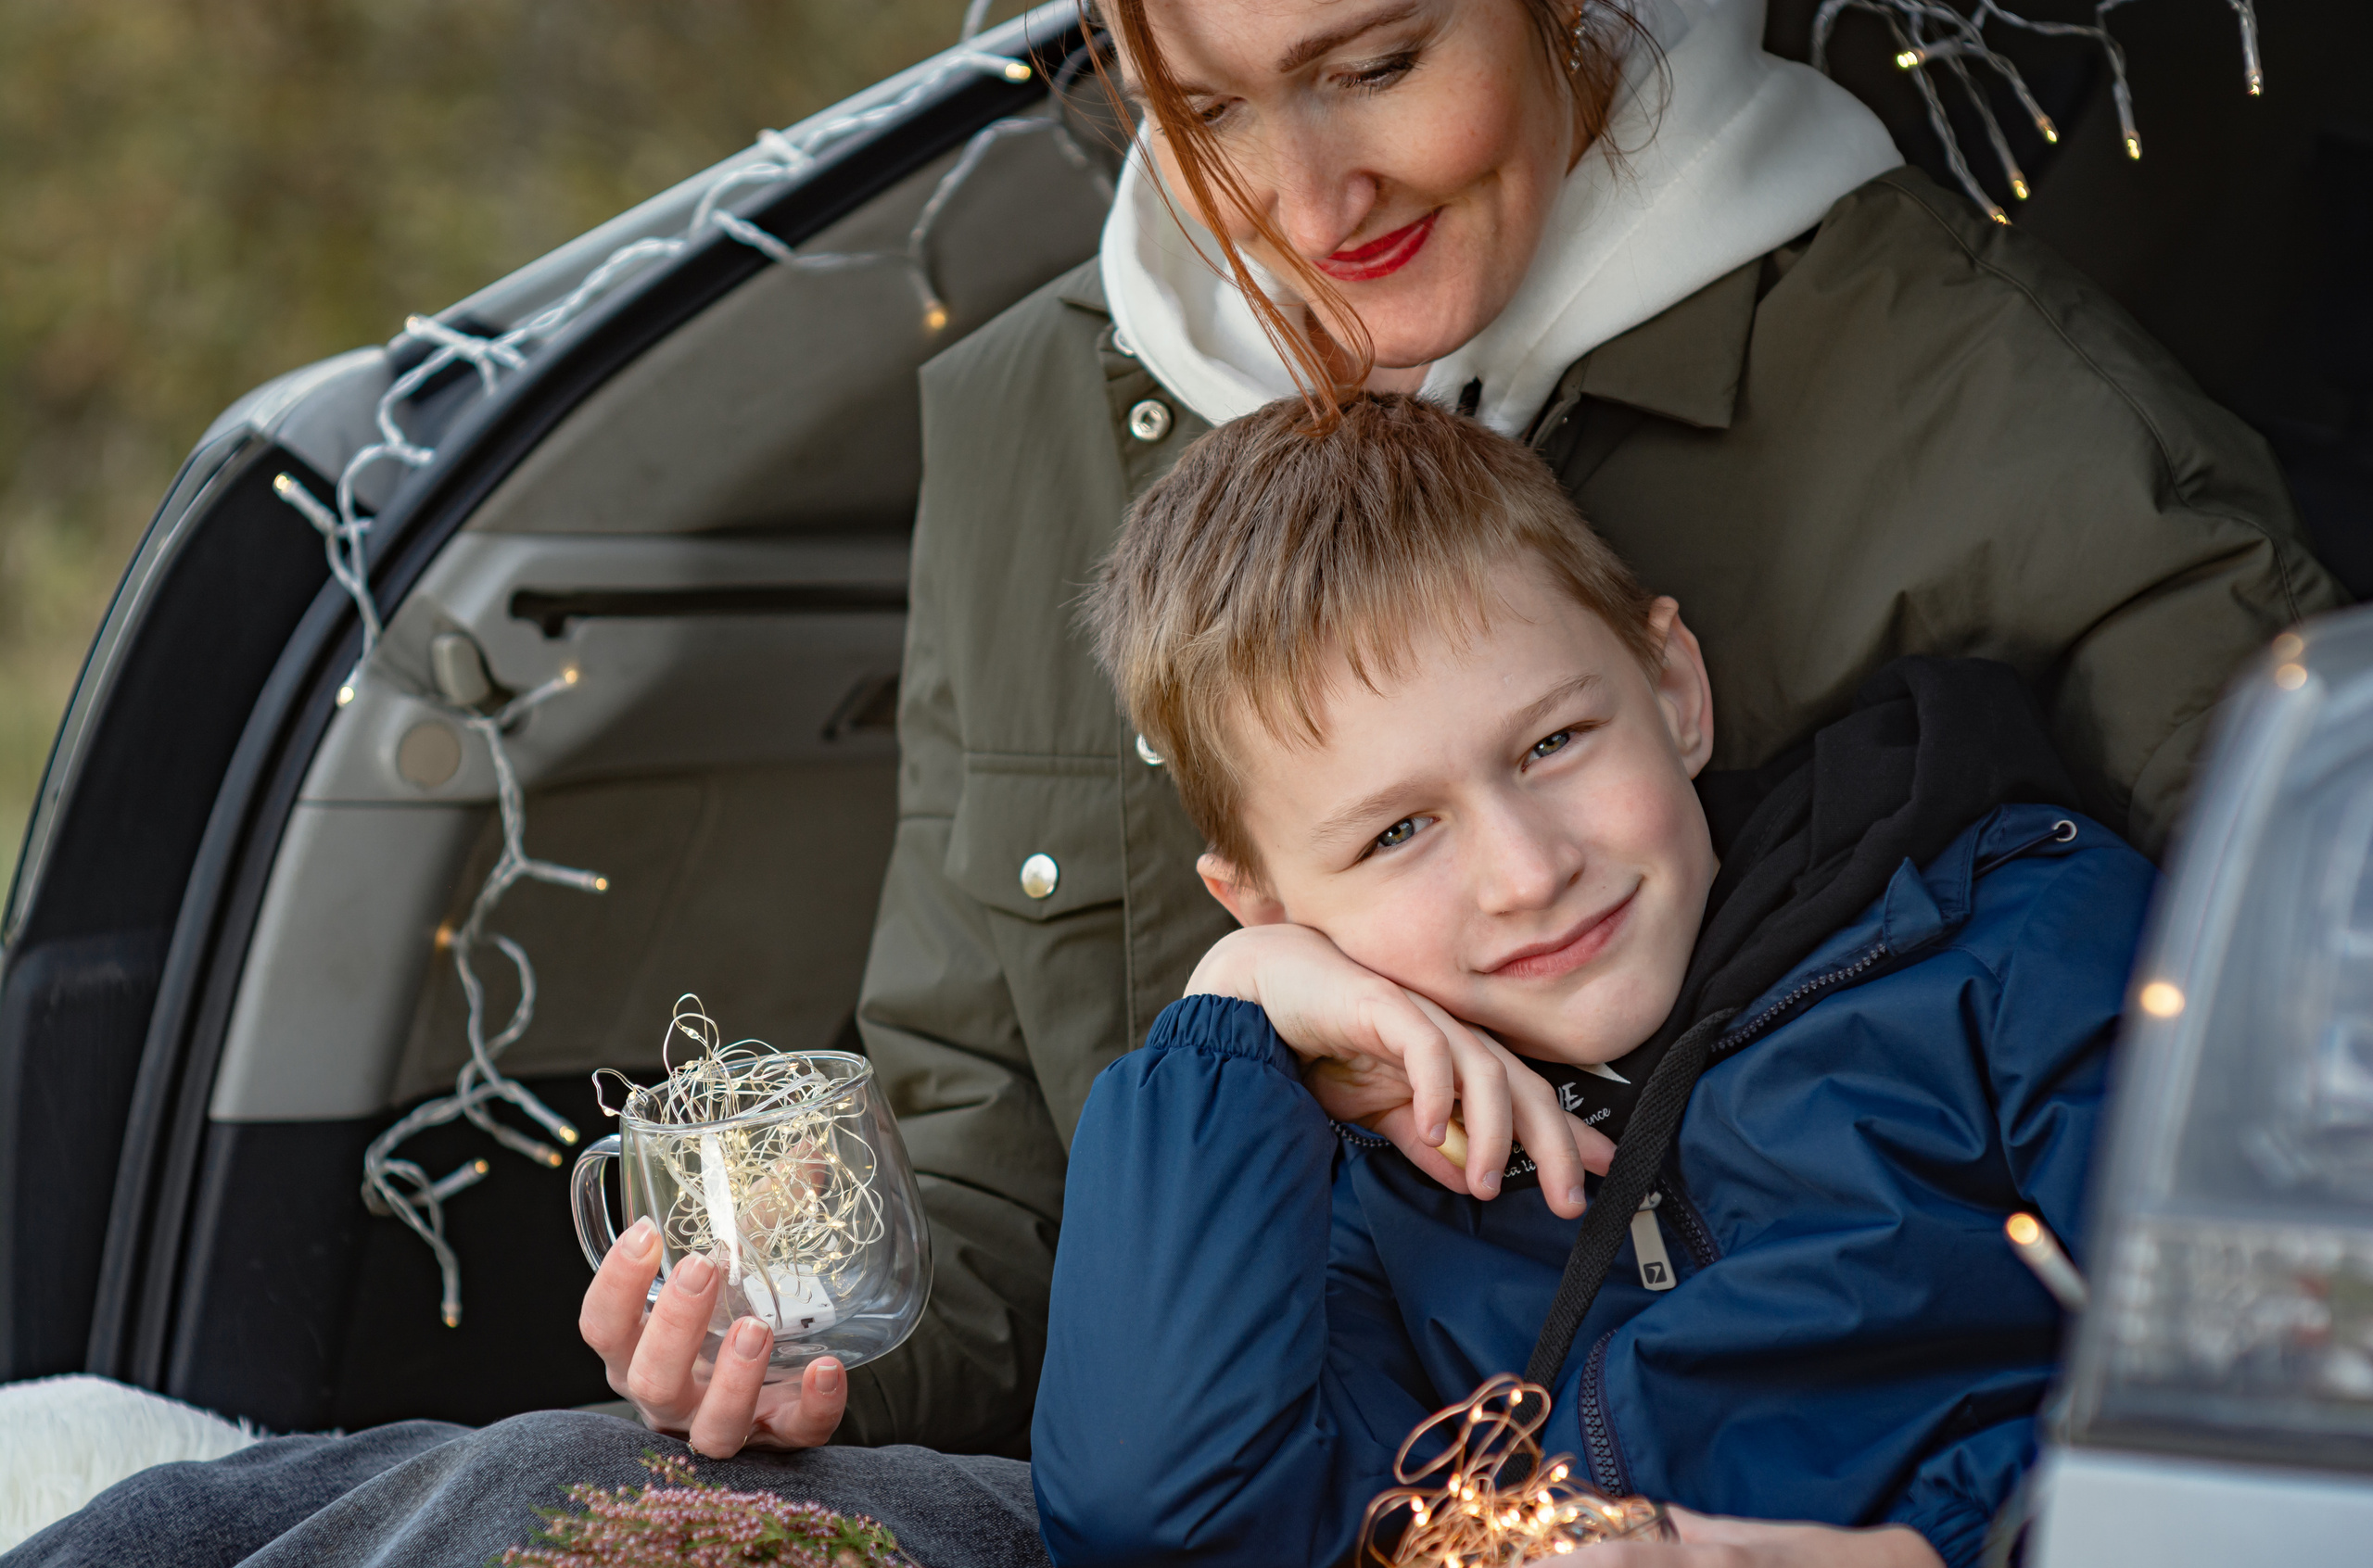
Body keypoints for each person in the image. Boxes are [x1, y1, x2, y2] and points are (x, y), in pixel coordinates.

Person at [583, 0, 2337, 1466]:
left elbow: (2286, 1106)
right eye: (1204, 107)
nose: (1301, 195)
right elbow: (991, 1198)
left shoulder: (1955, 376)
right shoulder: (1030, 426)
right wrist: (811, 1363)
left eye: (1379, 62)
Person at [1031, 393, 2151, 1568]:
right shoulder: (1352, 1198)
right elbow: (1167, 1534)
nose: (1528, 873)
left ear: (1672, 690)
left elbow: (2287, 1387)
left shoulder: (2006, 942)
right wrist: (1230, 1019)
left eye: (1552, 744)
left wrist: (1929, 1556)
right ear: (1267, 904)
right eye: (1398, 830)